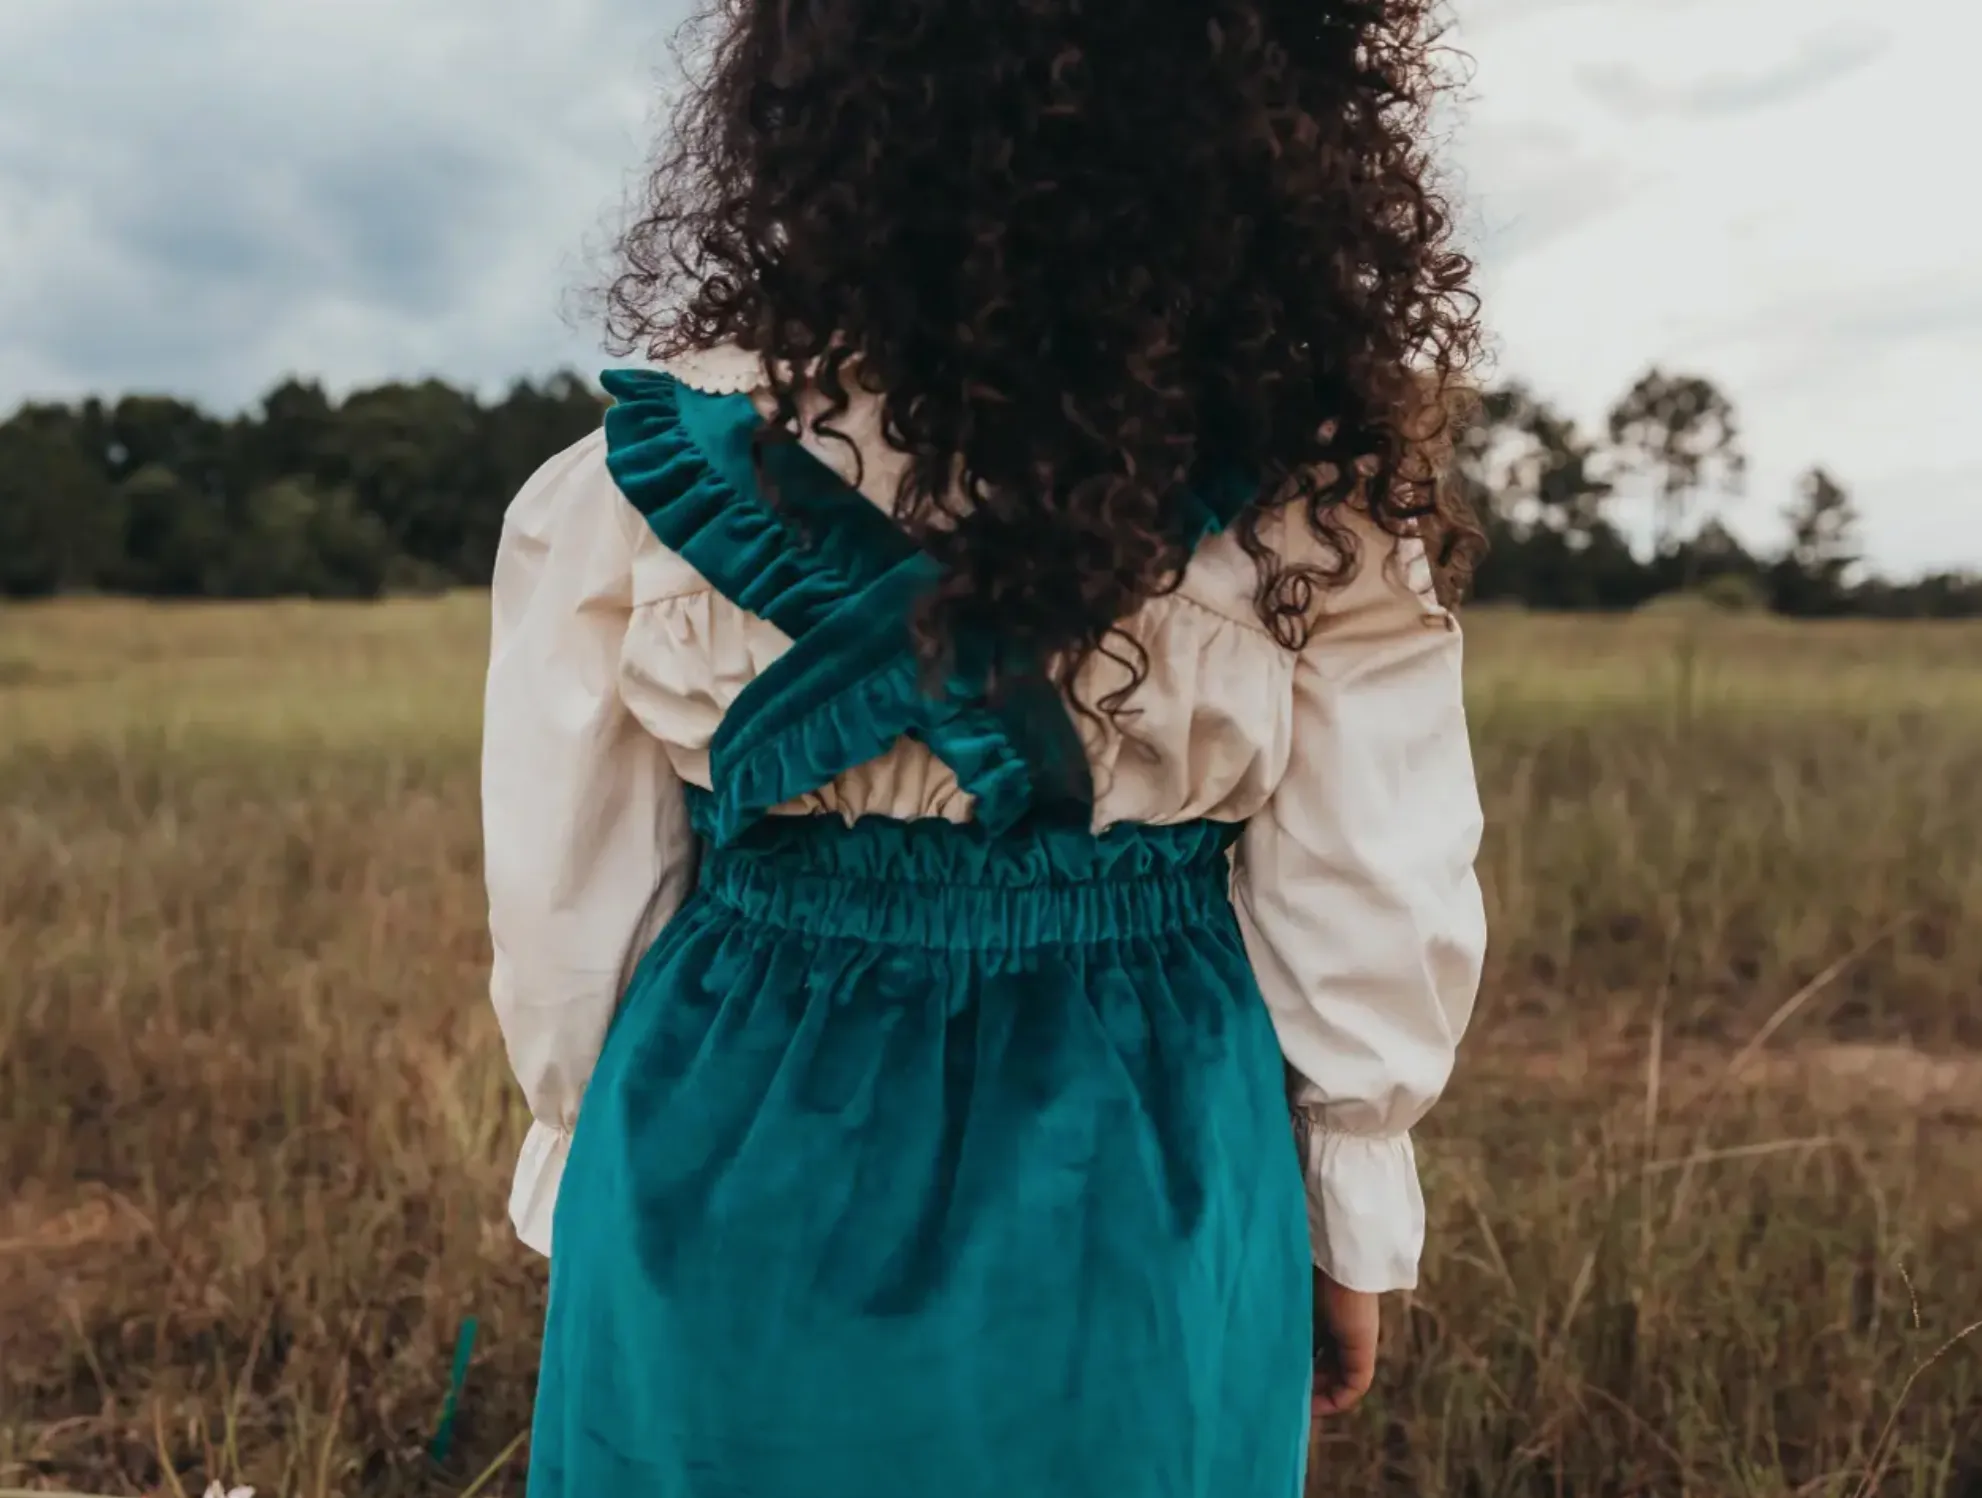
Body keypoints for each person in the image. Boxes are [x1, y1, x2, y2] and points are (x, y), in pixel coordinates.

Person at [481, 2, 1487, 1493]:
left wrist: (586, 1156)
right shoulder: (1307, 507)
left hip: (728, 1109)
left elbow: (572, 901)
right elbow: (1363, 883)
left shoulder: (623, 484)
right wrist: (1343, 1206)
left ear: (816, 100)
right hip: (1138, 1125)